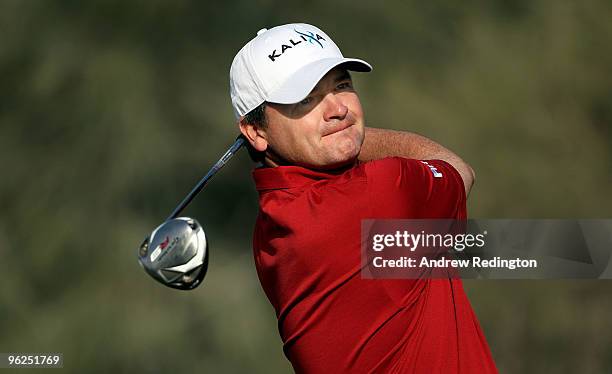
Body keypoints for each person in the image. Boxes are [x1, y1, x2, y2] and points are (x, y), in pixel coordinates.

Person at [229, 23, 497, 373]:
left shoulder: (269, 228)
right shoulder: (381, 192)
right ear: (256, 131)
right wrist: (347, 134)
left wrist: (331, 135)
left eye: (341, 85)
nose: (337, 108)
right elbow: (458, 170)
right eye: (305, 99)